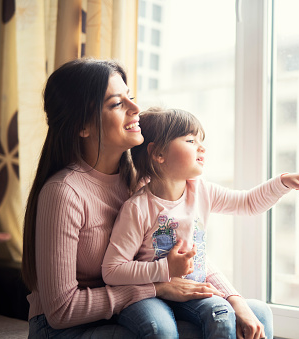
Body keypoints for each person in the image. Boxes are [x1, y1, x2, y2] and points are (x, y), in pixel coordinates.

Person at [21, 59, 230, 338]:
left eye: (130, 97)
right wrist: (155, 287)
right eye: (117, 104)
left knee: (232, 320)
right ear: (83, 126)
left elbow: (188, 251)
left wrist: (233, 298)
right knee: (161, 331)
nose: (136, 109)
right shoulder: (64, 192)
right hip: (66, 327)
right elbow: (61, 311)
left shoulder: (141, 181)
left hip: (126, 310)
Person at [102, 107, 299, 339]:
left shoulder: (201, 191)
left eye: (201, 140)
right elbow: (112, 270)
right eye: (190, 140)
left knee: (221, 313)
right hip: (149, 295)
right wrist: (165, 269)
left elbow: (247, 202)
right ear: (158, 153)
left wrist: (283, 183)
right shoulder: (137, 208)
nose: (201, 147)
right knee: (159, 329)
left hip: (193, 290)